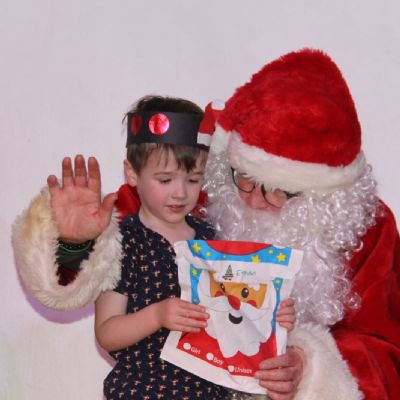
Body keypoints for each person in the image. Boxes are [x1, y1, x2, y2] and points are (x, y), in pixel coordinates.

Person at [13, 48, 400, 399]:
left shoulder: (364, 228)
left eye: (277, 191)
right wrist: (74, 243)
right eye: (244, 178)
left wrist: (307, 363)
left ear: (319, 195)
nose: (252, 199)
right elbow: (96, 256)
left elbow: (385, 350)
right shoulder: (198, 195)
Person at [13, 95, 295, 400]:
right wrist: (156, 316)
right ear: (132, 174)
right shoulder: (123, 242)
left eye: (193, 179)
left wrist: (271, 313)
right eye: (165, 179)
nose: (180, 192)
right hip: (142, 391)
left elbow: (235, 313)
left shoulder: (212, 238)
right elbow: (107, 333)